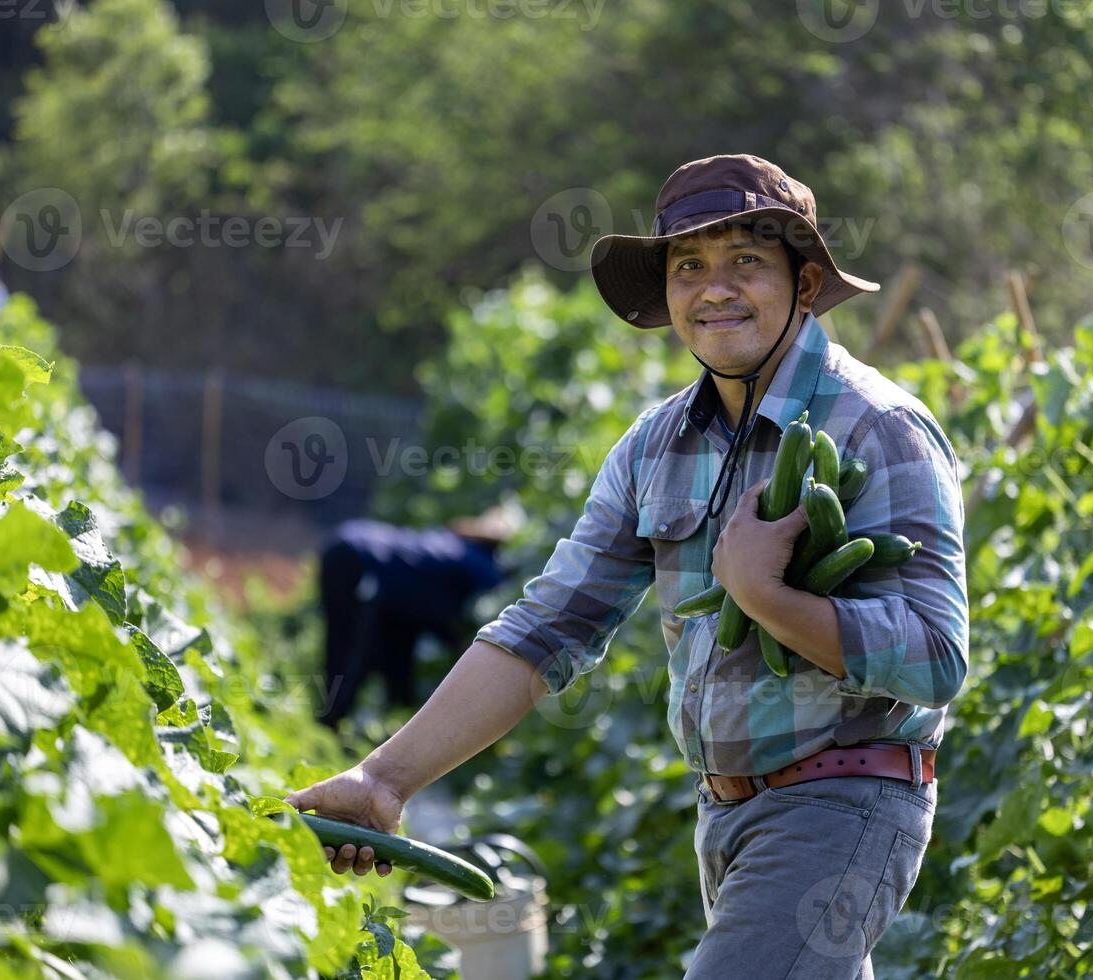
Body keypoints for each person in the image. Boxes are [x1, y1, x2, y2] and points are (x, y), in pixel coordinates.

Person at [286, 154, 969, 978]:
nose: (715, 287)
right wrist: (384, 779)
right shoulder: (657, 445)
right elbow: (548, 628)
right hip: (723, 813)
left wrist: (767, 596)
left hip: (844, 805)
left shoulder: (878, 429)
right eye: (689, 266)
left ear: (808, 282)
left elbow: (937, 656)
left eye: (746, 261)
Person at [315, 503, 518, 726]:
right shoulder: (482, 565)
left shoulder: (456, 544)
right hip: (357, 560)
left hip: (352, 548)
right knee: (351, 654)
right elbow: (477, 619)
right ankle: (327, 729)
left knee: (392, 654)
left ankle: (373, 726)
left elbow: (424, 606)